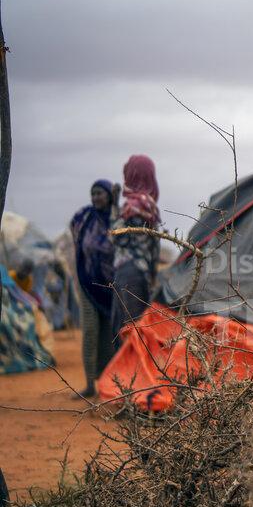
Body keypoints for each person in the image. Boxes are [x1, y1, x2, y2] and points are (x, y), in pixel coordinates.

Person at [69, 179, 119, 398]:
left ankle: (107, 383)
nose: (96, 197)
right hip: (87, 283)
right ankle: (90, 384)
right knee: (90, 331)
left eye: (100, 193)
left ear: (109, 195)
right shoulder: (85, 217)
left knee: (108, 334)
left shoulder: (117, 218)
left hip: (110, 287)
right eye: (93, 193)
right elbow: (75, 234)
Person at [110, 155, 161, 347]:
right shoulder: (149, 205)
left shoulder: (132, 206)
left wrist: (114, 207)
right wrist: (152, 276)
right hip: (140, 275)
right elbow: (154, 248)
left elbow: (117, 237)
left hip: (126, 275)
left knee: (127, 332)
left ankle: (127, 367)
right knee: (136, 330)